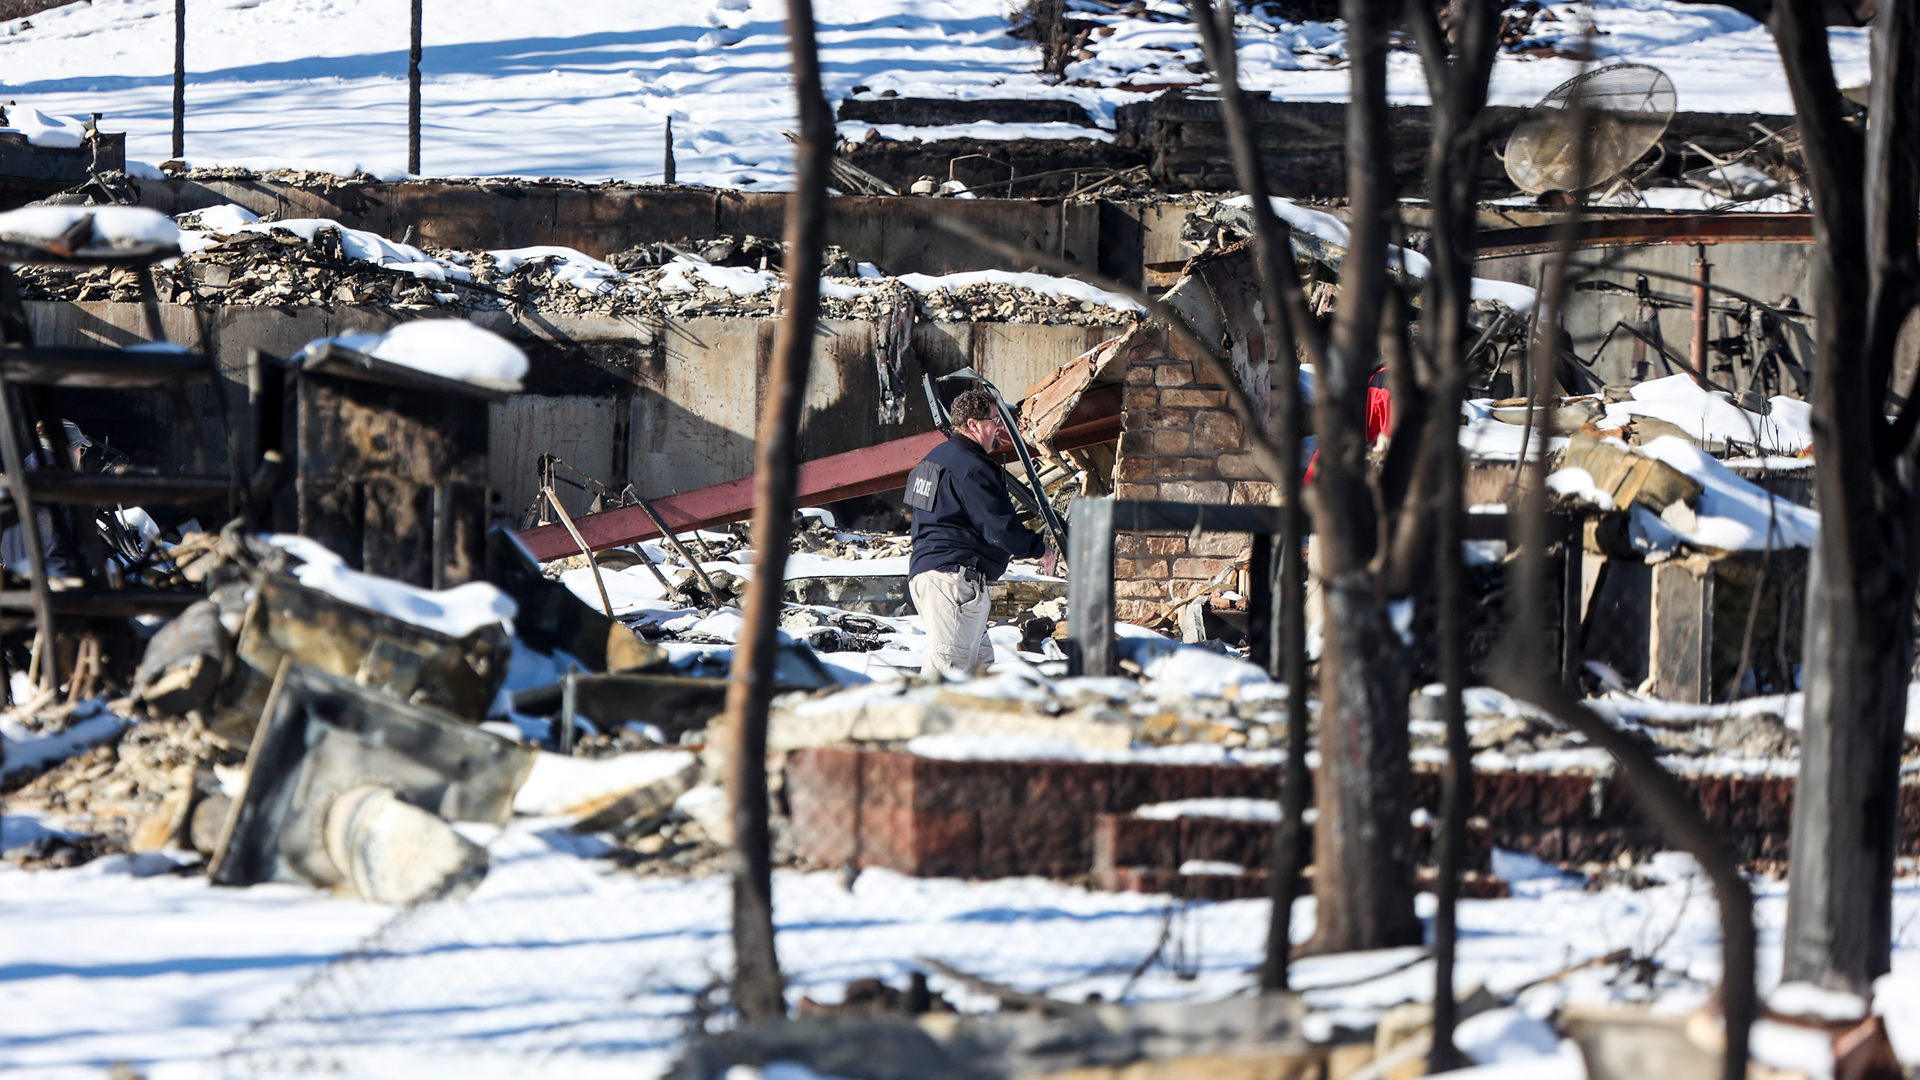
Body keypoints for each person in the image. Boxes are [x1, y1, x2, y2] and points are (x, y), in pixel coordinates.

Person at [905, 388, 1050, 678]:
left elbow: (925, 519)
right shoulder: (973, 468)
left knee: (981, 675)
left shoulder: (930, 462)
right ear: (973, 425)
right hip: (953, 583)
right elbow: (999, 529)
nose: (1000, 427)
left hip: (929, 577)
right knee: (947, 678)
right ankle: (924, 723)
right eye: (995, 420)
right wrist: (1039, 548)